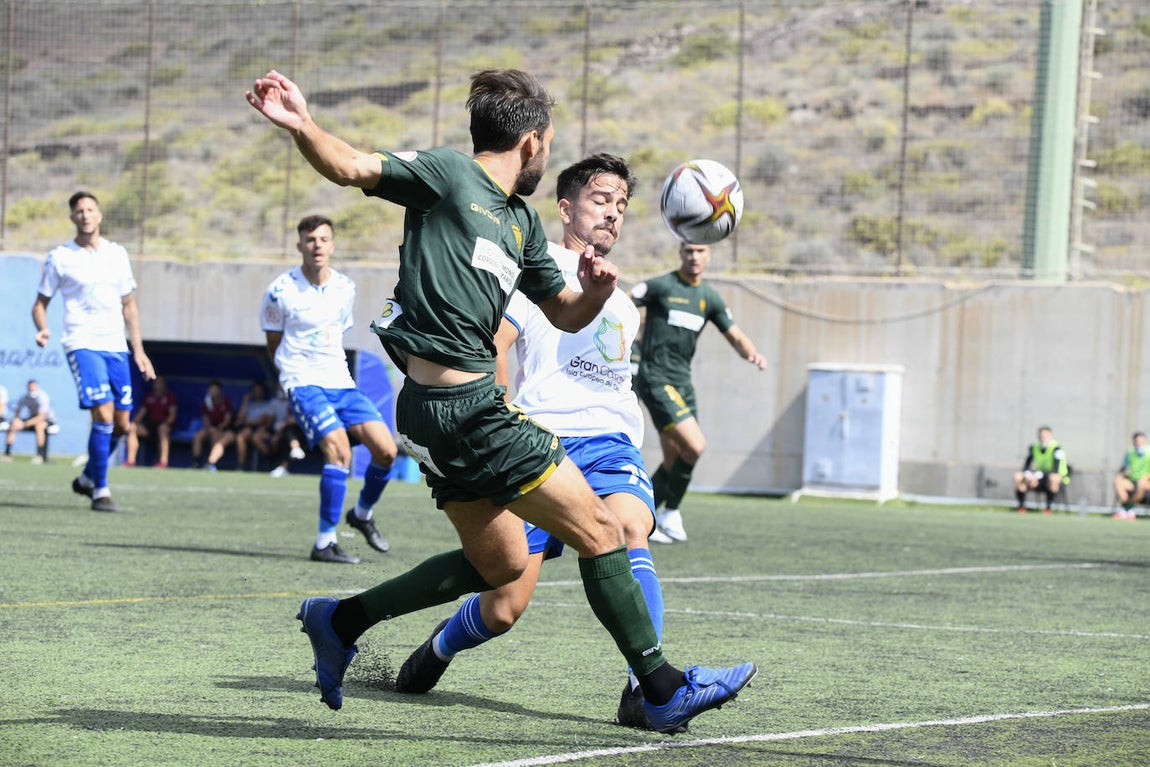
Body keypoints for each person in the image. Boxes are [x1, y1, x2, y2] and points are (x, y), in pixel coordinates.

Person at [246, 67, 754, 733]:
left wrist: (597, 290)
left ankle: (339, 619)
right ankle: (659, 689)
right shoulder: (448, 175)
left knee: (503, 563)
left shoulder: (520, 224)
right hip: (468, 410)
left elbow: (567, 311)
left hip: (434, 414)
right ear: (534, 143)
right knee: (603, 531)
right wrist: (301, 122)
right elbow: (350, 166)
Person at [395, 154, 666, 730]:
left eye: (621, 206)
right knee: (504, 605)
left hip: (610, 441)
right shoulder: (534, 272)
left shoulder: (625, 302)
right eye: (600, 200)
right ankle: (439, 647)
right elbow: (493, 348)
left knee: (628, 528)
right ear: (565, 207)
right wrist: (498, 418)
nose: (612, 214)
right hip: (541, 444)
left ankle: (648, 687)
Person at [260, 214, 398, 563]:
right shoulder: (280, 291)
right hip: (303, 381)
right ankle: (324, 542)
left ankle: (362, 514)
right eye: (310, 240)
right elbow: (273, 342)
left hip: (341, 381)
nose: (317, 245)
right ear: (299, 246)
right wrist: (289, 378)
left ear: (332, 245)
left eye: (323, 239)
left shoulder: (345, 288)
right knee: (339, 451)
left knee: (386, 451)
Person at [630, 241, 767, 544]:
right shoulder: (661, 286)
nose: (694, 256)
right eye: (688, 250)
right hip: (655, 379)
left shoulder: (709, 298)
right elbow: (622, 304)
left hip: (683, 383)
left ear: (709, 255)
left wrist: (752, 354)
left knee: (674, 458)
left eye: (700, 251)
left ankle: (641, 521)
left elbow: (734, 334)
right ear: (680, 252)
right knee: (696, 446)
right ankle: (671, 512)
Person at [34, 191, 156, 512]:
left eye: (90, 209)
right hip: (81, 342)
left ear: (100, 215)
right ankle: (100, 490)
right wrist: (42, 328)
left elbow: (129, 306)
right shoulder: (59, 257)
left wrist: (138, 350)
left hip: (115, 345)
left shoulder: (117, 254)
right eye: (79, 211)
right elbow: (40, 304)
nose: (85, 215)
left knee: (122, 424)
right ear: (72, 218)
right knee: (102, 413)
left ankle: (88, 477)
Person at [1012, 425, 1069, 514]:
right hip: (1038, 477)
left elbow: (1056, 469)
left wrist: (1037, 476)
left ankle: (1048, 508)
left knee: (1053, 478)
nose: (1043, 438)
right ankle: (1021, 506)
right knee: (1018, 476)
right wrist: (1029, 475)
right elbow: (1026, 466)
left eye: (1045, 436)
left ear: (1050, 436)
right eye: (1041, 436)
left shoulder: (1057, 448)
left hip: (1054, 477)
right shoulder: (1034, 447)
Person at [125, 374, 178, 468]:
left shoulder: (170, 397)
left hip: (165, 425)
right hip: (151, 425)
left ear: (164, 384)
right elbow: (141, 413)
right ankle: (131, 460)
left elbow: (172, 415)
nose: (157, 384)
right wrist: (132, 423)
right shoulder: (149, 397)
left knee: (162, 429)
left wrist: (167, 424)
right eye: (155, 382)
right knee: (132, 428)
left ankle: (163, 462)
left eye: (159, 382)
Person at [2, 379, 54, 464]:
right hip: (31, 418)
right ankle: (7, 454)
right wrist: (17, 420)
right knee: (13, 424)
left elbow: (41, 417)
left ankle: (39, 455)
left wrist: (25, 424)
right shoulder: (24, 397)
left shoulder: (43, 396)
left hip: (47, 420)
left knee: (39, 426)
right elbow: (17, 413)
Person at [233, 380, 278, 470]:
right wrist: (245, 402)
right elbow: (239, 419)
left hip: (262, 429)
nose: (257, 393)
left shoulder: (268, 405)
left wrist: (255, 422)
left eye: (259, 391)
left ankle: (272, 459)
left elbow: (268, 421)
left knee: (256, 438)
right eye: (255, 391)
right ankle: (241, 465)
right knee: (240, 437)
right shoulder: (249, 405)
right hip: (248, 428)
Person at [191, 380, 235, 471]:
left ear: (220, 391)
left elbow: (227, 420)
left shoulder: (226, 402)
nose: (213, 391)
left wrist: (218, 429)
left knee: (217, 438)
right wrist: (211, 428)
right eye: (211, 389)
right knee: (198, 435)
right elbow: (205, 420)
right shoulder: (206, 403)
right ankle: (196, 462)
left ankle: (211, 463)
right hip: (211, 428)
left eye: (215, 389)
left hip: (225, 429)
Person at [1112, 431, 1150, 520]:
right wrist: (1119, 476)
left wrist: (1146, 477)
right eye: (1136, 441)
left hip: (1146, 481)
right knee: (1118, 483)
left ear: (1145, 441)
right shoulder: (1130, 452)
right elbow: (1123, 468)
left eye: (1140, 441)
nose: (1138, 443)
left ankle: (1127, 510)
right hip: (1133, 480)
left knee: (1142, 485)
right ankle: (1128, 512)